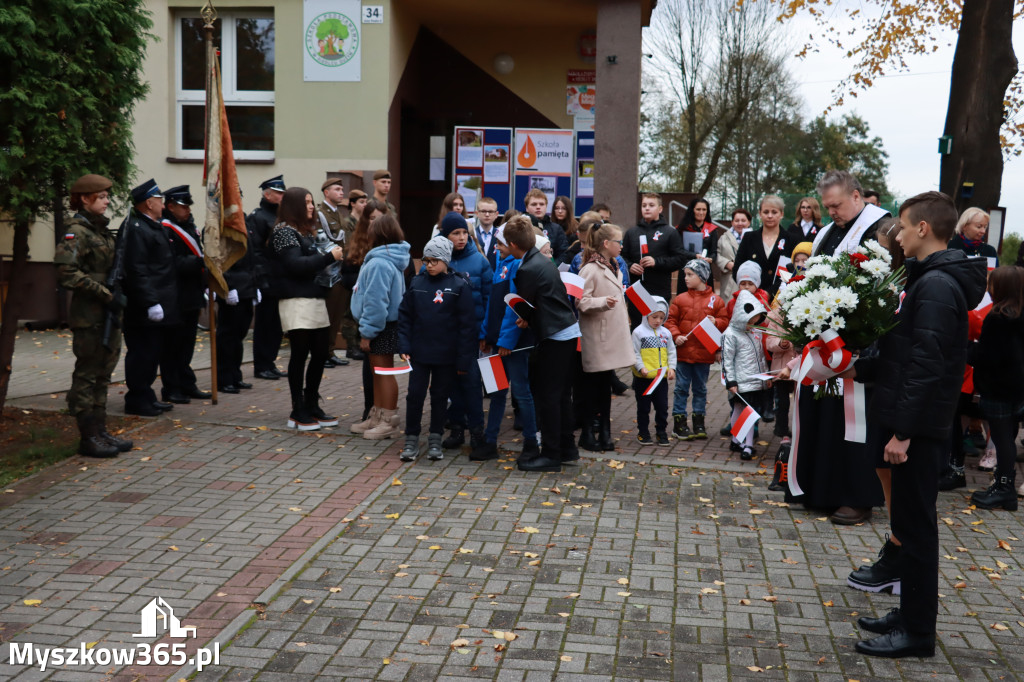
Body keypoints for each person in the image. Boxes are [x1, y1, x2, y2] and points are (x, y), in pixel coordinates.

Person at [846, 191, 986, 659]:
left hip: (917, 430)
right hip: (912, 422)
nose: (898, 235)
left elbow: (927, 365)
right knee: (908, 524)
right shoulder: (928, 280)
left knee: (918, 531)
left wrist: (902, 432)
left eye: (903, 227)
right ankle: (908, 615)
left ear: (923, 229)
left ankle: (918, 632)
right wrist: (857, 368)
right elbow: (905, 354)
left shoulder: (937, 287)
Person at [790, 170, 890, 524]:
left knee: (854, 422)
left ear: (857, 197)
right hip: (825, 339)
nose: (831, 212)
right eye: (827, 206)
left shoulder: (882, 228)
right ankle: (821, 489)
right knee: (825, 416)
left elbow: (887, 285)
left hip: (862, 344)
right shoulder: (829, 231)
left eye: (837, 205)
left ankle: (856, 495)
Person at [54, 174, 131, 457]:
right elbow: (67, 273)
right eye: (101, 197)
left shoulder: (99, 230)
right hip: (90, 315)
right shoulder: (77, 231)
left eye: (107, 196)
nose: (107, 201)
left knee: (103, 374)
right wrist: (105, 294)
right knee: (87, 375)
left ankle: (100, 430)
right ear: (85, 199)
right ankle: (87, 436)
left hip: (108, 313)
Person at [504, 215, 581, 471]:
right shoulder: (542, 260)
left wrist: (526, 319)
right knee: (560, 396)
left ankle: (550, 455)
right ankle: (567, 449)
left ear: (514, 244)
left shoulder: (527, 268)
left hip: (555, 335)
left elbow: (528, 305)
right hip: (566, 332)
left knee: (548, 397)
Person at [268, 187, 344, 430]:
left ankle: (312, 403)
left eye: (312, 202)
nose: (311, 207)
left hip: (314, 298)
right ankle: (297, 409)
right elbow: (295, 265)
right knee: (300, 354)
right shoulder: (283, 232)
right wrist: (329, 258)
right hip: (295, 300)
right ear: (294, 205)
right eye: (307, 203)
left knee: (321, 353)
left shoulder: (305, 231)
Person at [398, 236, 476, 462]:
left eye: (434, 261)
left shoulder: (459, 285)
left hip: (446, 355)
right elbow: (405, 316)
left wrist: (463, 360)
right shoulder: (417, 284)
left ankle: (435, 438)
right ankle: (411, 438)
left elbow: (466, 326)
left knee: (440, 397)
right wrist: (404, 344)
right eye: (426, 260)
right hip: (420, 354)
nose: (429, 265)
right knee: (414, 396)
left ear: (445, 261)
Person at [478, 226, 539, 461]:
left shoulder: (518, 267)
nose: (496, 248)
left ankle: (531, 442)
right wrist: (485, 335)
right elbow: (493, 306)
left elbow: (515, 309)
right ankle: (489, 441)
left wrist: (506, 341)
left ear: (512, 244)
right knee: (495, 391)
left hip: (513, 345)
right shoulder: (500, 264)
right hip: (496, 343)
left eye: (501, 244)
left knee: (522, 393)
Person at [967, 266, 1024, 510]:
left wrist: (966, 350)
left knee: (1002, 440)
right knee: (1007, 438)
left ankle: (1004, 488)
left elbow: (988, 356)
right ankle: (1004, 486)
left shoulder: (998, 317)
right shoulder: (1019, 314)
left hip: (997, 388)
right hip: (1016, 389)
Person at [435, 212, 492, 454]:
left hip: (472, 335)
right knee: (451, 385)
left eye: (463, 233)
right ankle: (456, 428)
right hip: (447, 336)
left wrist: (486, 332)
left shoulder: (479, 261)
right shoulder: (438, 260)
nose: (460, 238)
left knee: (471, 384)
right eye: (455, 233)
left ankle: (477, 432)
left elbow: (490, 300)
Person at [350, 214, 411, 440]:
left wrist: (367, 332)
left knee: (384, 373)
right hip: (384, 325)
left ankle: (388, 421)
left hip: (381, 325)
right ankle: (377, 416)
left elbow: (376, 302)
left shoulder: (378, 262)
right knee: (378, 372)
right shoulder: (387, 259)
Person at [122, 179, 179, 417]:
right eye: (159, 200)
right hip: (143, 307)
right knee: (142, 354)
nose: (163, 205)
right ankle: (136, 399)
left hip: (159, 303)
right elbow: (137, 270)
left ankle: (147, 396)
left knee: (152, 353)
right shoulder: (136, 229)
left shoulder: (152, 226)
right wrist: (150, 302)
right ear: (148, 203)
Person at [577, 222, 635, 452]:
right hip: (597, 337)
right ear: (606, 243)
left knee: (604, 387)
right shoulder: (590, 269)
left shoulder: (614, 266)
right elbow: (580, 301)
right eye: (618, 242)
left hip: (610, 336)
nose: (621, 246)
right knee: (593, 387)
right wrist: (602, 302)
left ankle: (605, 432)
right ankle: (588, 433)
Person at [159, 185, 211, 404]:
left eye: (188, 205)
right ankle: (171, 388)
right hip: (175, 295)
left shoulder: (189, 226)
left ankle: (186, 383)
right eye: (183, 206)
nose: (187, 209)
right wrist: (199, 262)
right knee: (172, 345)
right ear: (170, 206)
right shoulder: (166, 228)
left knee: (187, 343)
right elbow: (171, 262)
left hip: (191, 294)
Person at [666, 259, 728, 440]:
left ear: (702, 277)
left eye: (690, 274)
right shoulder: (680, 299)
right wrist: (676, 335)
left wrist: (716, 322)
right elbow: (670, 321)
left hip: (703, 355)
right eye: (685, 274)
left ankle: (699, 422)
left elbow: (725, 323)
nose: (685, 278)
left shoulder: (716, 301)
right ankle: (679, 423)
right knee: (681, 388)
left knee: (700, 389)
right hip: (683, 353)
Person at [345, 199, 390, 427]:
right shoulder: (363, 246)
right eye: (371, 219)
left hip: (381, 320)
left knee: (383, 370)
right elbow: (347, 273)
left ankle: (385, 416)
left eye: (379, 219)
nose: (375, 224)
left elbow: (380, 296)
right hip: (367, 318)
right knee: (371, 367)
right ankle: (372, 411)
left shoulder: (387, 255)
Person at [723, 290, 772, 460]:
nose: (752, 325)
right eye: (750, 321)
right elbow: (726, 360)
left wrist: (766, 377)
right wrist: (731, 381)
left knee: (741, 408)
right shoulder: (730, 334)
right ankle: (748, 445)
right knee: (748, 411)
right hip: (740, 380)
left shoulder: (755, 332)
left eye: (755, 321)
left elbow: (760, 357)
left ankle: (737, 440)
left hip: (755, 379)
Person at [249, 175, 287, 380]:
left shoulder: (280, 217)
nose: (282, 196)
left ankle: (270, 361)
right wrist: (261, 279)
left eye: (283, 193)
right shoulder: (258, 216)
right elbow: (255, 252)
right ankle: (261, 364)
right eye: (278, 193)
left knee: (276, 325)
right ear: (267, 194)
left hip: (279, 278)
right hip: (266, 279)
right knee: (264, 324)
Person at [622, 192, 688, 306]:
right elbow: (622, 257)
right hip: (636, 289)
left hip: (659, 289)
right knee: (637, 323)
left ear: (660, 209)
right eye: (644, 205)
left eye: (651, 205)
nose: (647, 208)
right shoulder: (631, 232)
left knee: (656, 322)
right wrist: (630, 266)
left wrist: (656, 262)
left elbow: (680, 259)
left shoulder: (670, 232)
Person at [631, 296, 676, 446]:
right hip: (643, 378)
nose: (658, 320)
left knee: (662, 407)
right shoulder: (638, 332)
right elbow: (635, 352)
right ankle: (643, 432)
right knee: (643, 407)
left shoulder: (666, 333)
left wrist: (672, 368)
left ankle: (661, 431)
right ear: (646, 315)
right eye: (654, 316)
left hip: (660, 378)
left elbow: (671, 352)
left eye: (662, 317)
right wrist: (640, 367)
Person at [317, 177, 352, 368]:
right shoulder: (320, 214)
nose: (341, 192)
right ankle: (323, 353)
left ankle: (329, 351)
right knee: (328, 315)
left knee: (337, 313)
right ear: (326, 192)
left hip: (341, 271)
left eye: (342, 189)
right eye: (337, 189)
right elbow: (322, 243)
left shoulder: (337, 213)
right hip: (328, 272)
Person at [734, 195, 792, 300]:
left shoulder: (791, 239)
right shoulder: (748, 238)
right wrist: (752, 290)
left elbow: (792, 271)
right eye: (766, 212)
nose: (770, 216)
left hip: (780, 298)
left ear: (781, 214)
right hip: (751, 298)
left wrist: (769, 293)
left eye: (774, 212)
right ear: (760, 214)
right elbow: (737, 269)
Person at [334, 189, 368, 363]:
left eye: (365, 201)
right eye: (361, 201)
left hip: (362, 268)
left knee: (360, 308)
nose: (365, 204)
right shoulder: (348, 222)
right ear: (353, 203)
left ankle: (357, 343)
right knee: (349, 310)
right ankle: (350, 346)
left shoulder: (365, 222)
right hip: (351, 267)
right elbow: (349, 246)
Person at [523, 189, 569, 259]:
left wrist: (552, 268)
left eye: (542, 204)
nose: (538, 207)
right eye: (534, 204)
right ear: (527, 208)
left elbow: (564, 254)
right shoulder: (520, 227)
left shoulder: (556, 229)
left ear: (546, 206)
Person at [715, 209, 751, 299]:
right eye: (737, 220)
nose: (740, 223)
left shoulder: (755, 238)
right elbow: (716, 254)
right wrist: (726, 263)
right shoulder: (724, 238)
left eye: (743, 220)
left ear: (749, 222)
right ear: (732, 222)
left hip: (749, 280)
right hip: (729, 281)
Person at [474, 196, 501, 269]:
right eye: (483, 211)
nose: (487, 214)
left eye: (491, 211)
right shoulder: (472, 235)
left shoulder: (501, 236)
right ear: (477, 213)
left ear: (496, 214)